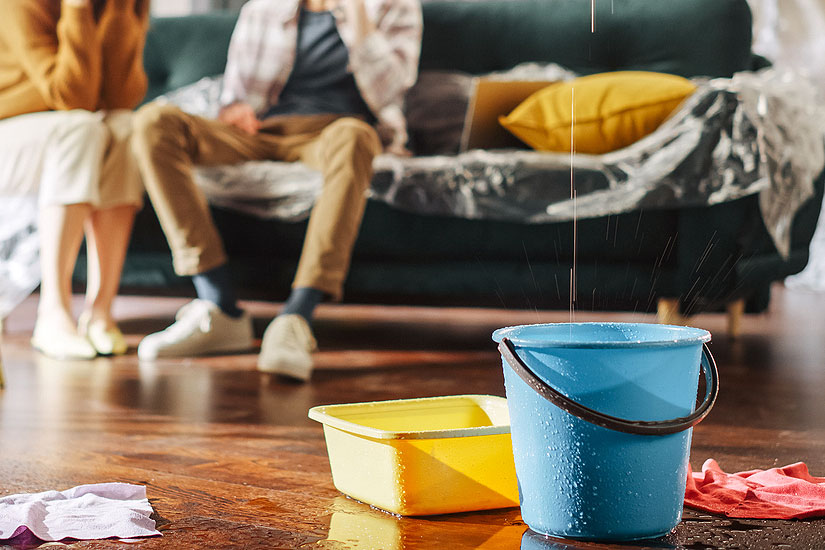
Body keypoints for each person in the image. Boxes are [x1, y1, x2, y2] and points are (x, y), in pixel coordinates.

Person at [131, 0, 422, 381]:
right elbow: (236, 93)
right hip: (262, 131)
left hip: (335, 133)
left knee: (356, 136)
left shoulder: (396, 7)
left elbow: (392, 89)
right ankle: (219, 306)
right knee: (154, 121)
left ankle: (296, 318)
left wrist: (360, 19)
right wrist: (234, 107)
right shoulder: (264, 8)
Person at [0, 0, 149, 359]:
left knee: (128, 129)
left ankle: (100, 312)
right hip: (13, 131)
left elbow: (122, 97)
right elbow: (73, 95)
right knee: (81, 128)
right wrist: (78, 8)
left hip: (72, 128)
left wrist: (118, 11)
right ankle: (53, 311)